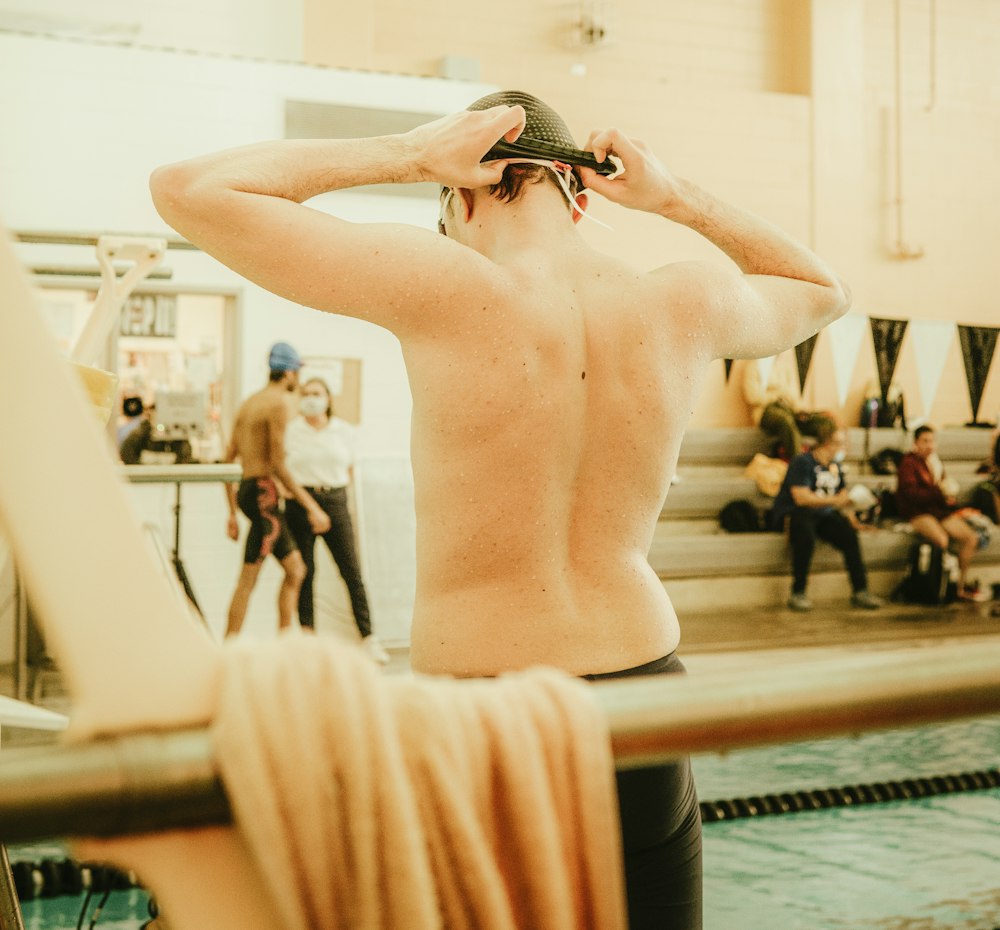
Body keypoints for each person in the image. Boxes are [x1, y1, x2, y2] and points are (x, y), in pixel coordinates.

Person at [150, 91, 851, 930]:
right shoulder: (682, 301)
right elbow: (820, 288)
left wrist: (408, 151)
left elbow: (186, 190)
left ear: (466, 193)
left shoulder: (439, 282)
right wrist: (673, 197)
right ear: (581, 196)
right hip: (645, 692)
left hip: (486, 710)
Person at [222, 342, 331, 637]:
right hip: (263, 494)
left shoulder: (249, 402)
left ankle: (285, 642)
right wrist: (312, 505)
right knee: (249, 578)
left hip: (250, 492)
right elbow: (277, 463)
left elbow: (227, 458)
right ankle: (229, 648)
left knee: (295, 570)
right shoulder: (281, 403)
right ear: (290, 373)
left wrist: (232, 512)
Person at [283, 375, 389, 664]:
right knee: (304, 573)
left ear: (328, 399)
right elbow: (282, 470)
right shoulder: (291, 431)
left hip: (335, 500)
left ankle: (369, 638)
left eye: (316, 393)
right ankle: (308, 640)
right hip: (300, 502)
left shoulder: (344, 432)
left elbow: (351, 469)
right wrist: (307, 505)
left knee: (352, 572)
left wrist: (340, 505)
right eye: (305, 393)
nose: (310, 398)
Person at [768, 419, 883, 612]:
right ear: (827, 443)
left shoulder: (835, 466)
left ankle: (860, 590)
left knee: (848, 535)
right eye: (840, 442)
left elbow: (843, 497)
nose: (843, 447)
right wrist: (834, 501)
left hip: (822, 515)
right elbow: (801, 498)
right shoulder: (802, 462)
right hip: (796, 514)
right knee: (805, 535)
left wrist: (853, 520)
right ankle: (798, 591)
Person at [895, 425, 982, 600]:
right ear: (915, 443)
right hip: (917, 512)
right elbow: (911, 494)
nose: (929, 445)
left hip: (938, 510)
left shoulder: (935, 463)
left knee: (971, 538)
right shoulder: (908, 463)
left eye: (932, 441)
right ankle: (936, 586)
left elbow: (943, 488)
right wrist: (939, 494)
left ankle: (958, 586)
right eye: (925, 441)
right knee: (942, 540)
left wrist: (949, 500)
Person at [741, 357, 831, 461]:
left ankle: (823, 463)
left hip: (789, 409)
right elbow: (752, 397)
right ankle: (799, 464)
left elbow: (793, 395)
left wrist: (800, 410)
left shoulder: (783, 366)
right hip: (765, 410)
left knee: (824, 422)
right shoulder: (753, 366)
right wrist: (776, 394)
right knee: (786, 420)